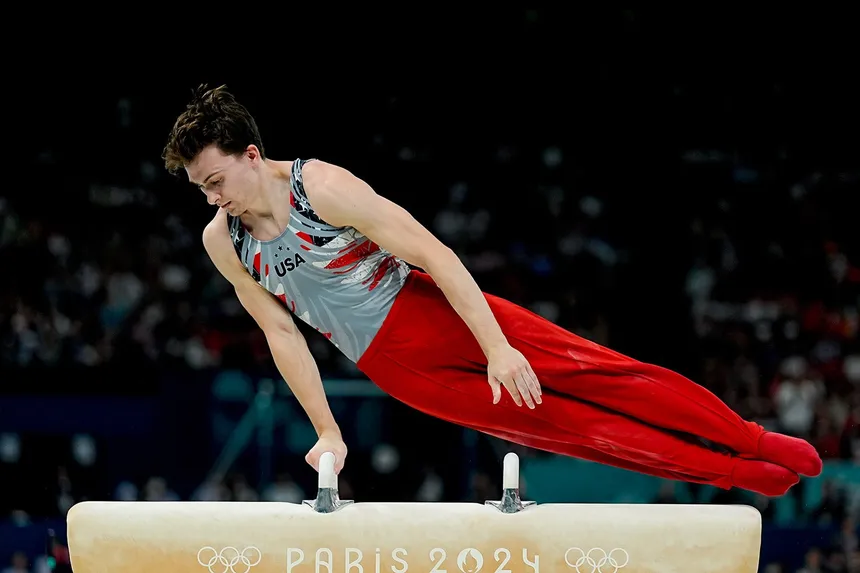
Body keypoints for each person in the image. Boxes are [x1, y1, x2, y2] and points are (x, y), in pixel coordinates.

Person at [162, 84, 822, 498]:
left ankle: (752, 440)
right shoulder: (225, 241)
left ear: (251, 154)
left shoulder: (321, 188)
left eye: (217, 179)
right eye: (201, 189)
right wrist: (328, 430)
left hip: (438, 310)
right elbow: (283, 332)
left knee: (607, 376)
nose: (214, 198)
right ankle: (737, 475)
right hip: (394, 366)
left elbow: (435, 253)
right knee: (576, 431)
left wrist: (498, 346)